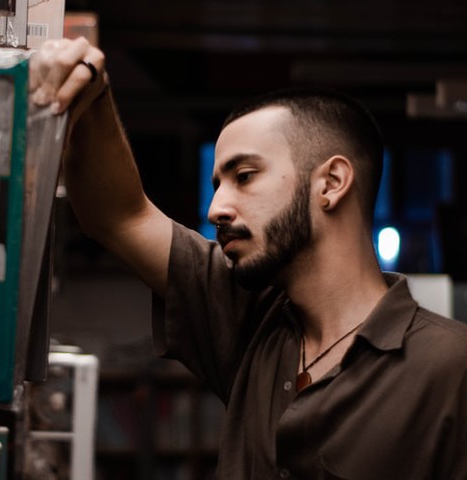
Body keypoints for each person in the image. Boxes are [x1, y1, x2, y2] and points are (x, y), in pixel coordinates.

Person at [29, 37, 467, 479]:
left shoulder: (451, 367)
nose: (216, 208)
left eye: (244, 176)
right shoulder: (250, 320)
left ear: (331, 183)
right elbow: (119, 215)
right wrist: (93, 93)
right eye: (218, 182)